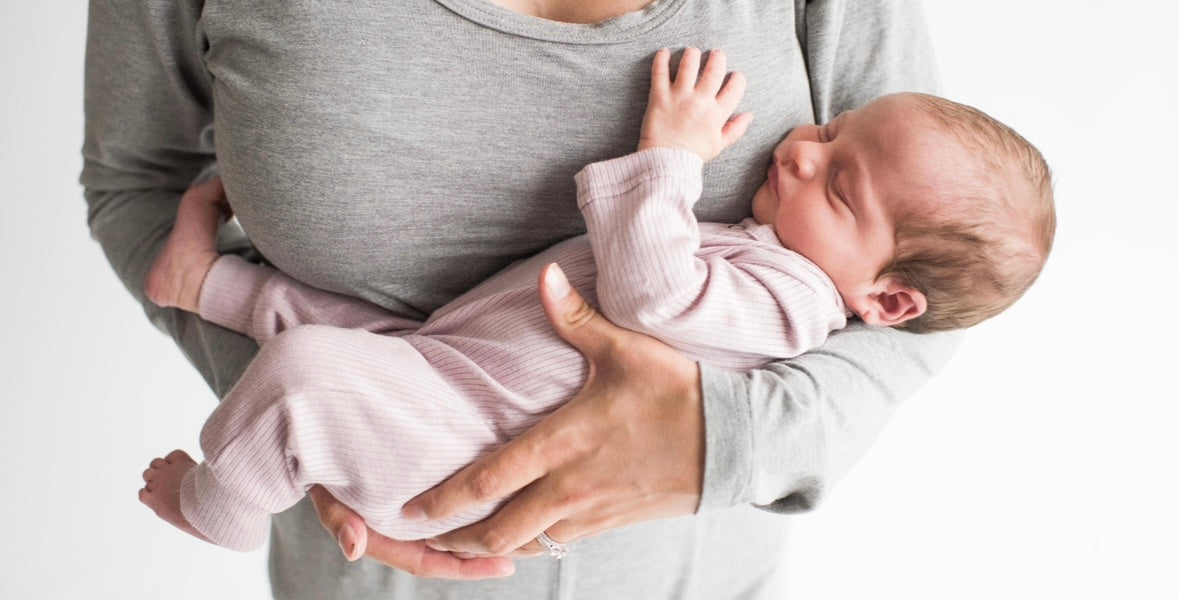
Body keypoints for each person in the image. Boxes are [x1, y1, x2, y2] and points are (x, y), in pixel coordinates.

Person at [83, 0, 964, 597]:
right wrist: (324, 446)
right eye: (826, 131)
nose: (808, 145)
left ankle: (224, 486)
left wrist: (717, 443)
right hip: (384, 535)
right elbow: (137, 181)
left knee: (317, 362)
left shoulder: (796, 294)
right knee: (325, 358)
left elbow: (939, 292)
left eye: (837, 178)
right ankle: (230, 375)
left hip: (683, 579)